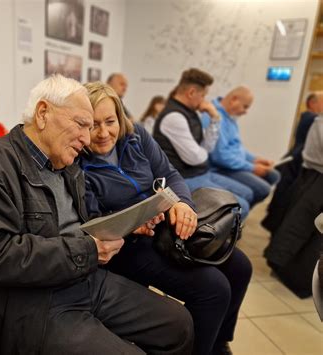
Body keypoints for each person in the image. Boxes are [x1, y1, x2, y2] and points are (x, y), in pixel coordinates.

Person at [0, 75, 194, 354]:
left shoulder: (67, 166)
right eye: (81, 125)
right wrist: (86, 250)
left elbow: (85, 226)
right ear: (43, 113)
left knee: (178, 325)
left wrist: (125, 225)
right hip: (27, 304)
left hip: (81, 279)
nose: (88, 138)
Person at [80, 82, 252, 355]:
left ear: (120, 117)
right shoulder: (77, 162)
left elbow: (170, 175)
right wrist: (131, 225)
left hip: (162, 226)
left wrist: (182, 203)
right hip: (125, 246)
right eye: (92, 125)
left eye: (110, 121)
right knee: (214, 289)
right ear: (79, 124)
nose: (103, 133)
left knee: (241, 266)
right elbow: (91, 219)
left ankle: (218, 341)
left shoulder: (136, 136)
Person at [153, 68, 253, 219]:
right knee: (241, 207)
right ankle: (218, 239)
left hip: (200, 172)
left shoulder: (191, 112)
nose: (205, 101)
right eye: (203, 95)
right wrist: (203, 151)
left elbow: (207, 148)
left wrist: (215, 117)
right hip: (183, 178)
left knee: (247, 193)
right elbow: (195, 157)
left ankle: (227, 233)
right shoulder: (174, 117)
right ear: (192, 92)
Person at [264, 116, 323, 298]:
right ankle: (284, 269)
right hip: (316, 178)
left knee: (312, 235)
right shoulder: (319, 121)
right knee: (300, 226)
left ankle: (300, 276)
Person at [207, 86, 280, 206]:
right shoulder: (215, 116)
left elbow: (236, 147)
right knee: (262, 189)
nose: (245, 111)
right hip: (220, 167)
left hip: (230, 164)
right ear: (234, 99)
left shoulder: (229, 117)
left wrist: (254, 159)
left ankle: (240, 213)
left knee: (273, 175)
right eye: (245, 106)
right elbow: (220, 157)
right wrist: (252, 168)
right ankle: (239, 214)